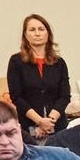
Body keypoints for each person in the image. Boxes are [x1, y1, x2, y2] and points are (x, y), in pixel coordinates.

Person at [6, 13, 71, 142]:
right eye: (32, 30)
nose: (37, 33)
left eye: (41, 29)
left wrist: (49, 121)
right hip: (28, 127)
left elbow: (64, 96)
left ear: (48, 34)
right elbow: (16, 97)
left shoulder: (59, 63)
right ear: (25, 35)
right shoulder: (16, 61)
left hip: (57, 126)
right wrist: (40, 121)